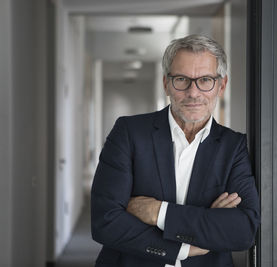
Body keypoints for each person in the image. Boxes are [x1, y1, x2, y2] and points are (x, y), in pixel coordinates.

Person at [91, 34, 260, 267]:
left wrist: (159, 212)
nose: (193, 92)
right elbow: (105, 222)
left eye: (205, 80)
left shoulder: (234, 147)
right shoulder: (129, 132)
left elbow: (242, 231)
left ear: (221, 85)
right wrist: (186, 245)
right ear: (166, 84)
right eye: (182, 79)